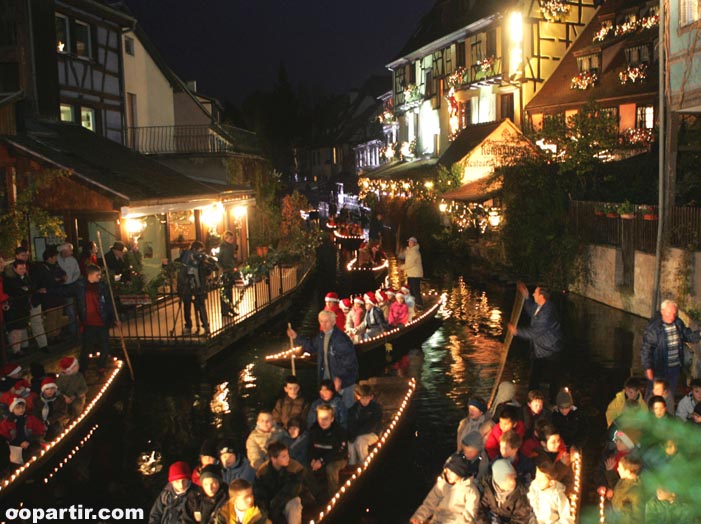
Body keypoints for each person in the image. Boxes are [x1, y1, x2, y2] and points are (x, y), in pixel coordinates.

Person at [287, 310, 358, 409]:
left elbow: (349, 362)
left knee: (346, 408)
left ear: (333, 322)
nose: (323, 324)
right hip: (328, 380)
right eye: (321, 321)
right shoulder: (321, 335)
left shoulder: (341, 339)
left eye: (326, 321)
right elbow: (311, 346)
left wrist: (340, 378)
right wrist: (296, 337)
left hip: (343, 382)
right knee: (329, 408)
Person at [508, 282, 563, 402]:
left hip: (551, 350)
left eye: (535, 292)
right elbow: (531, 310)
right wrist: (526, 296)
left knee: (554, 378)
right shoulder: (540, 306)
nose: (533, 294)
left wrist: (516, 331)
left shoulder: (547, 313)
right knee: (535, 375)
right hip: (540, 349)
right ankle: (532, 398)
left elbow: (534, 332)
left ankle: (553, 402)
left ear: (542, 296)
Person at [641, 299, 700, 396]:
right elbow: (646, 350)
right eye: (669, 313)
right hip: (659, 367)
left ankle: (667, 409)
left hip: (674, 367)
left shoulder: (678, 323)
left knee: (669, 392)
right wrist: (648, 367)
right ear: (662, 312)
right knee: (654, 393)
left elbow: (687, 335)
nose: (672, 316)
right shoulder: (654, 329)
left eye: (674, 313)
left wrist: (699, 334)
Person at [410, 453, 480, 524]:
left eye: (452, 472)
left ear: (460, 472)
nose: (448, 475)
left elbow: (468, 517)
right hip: (437, 520)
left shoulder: (471, 491)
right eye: (447, 472)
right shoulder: (442, 485)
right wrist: (418, 517)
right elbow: (430, 503)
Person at [75, 264, 117, 374]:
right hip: (89, 322)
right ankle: (83, 368)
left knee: (104, 345)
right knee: (87, 347)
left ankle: (101, 366)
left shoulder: (103, 286)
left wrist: (113, 317)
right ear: (91, 275)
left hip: (102, 320)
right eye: (97, 275)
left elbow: (108, 303)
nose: (100, 277)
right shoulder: (80, 285)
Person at [254, 440, 309, 524]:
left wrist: (274, 508)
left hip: (289, 502)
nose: (288, 458)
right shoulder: (262, 473)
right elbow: (260, 496)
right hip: (272, 505)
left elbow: (291, 491)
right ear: (273, 459)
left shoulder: (295, 469)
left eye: (287, 455)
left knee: (294, 502)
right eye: (284, 456)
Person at [308, 404, 348, 500]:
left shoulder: (339, 432)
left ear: (332, 419)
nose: (323, 421)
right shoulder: (314, 430)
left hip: (337, 459)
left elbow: (339, 452)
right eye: (320, 418)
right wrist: (312, 459)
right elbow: (310, 447)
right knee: (305, 469)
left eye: (326, 418)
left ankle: (334, 497)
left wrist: (322, 461)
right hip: (318, 459)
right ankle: (317, 496)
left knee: (331, 468)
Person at [477, 459, 534, 524]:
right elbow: (480, 510)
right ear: (499, 482)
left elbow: (521, 520)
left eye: (514, 477)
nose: (513, 482)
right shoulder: (489, 490)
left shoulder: (520, 495)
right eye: (508, 480)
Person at [178, 241, 214, 336]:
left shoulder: (201, 260)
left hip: (198, 285)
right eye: (200, 251)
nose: (201, 253)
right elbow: (180, 270)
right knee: (187, 305)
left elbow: (208, 272)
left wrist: (206, 264)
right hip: (187, 285)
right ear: (193, 250)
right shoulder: (186, 258)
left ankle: (205, 325)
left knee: (201, 304)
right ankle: (188, 326)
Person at [0, 396, 45, 465]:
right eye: (18, 408)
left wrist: (29, 441)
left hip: (31, 443)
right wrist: (18, 444)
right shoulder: (6, 423)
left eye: (22, 407)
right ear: (12, 409)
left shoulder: (30, 418)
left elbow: (40, 430)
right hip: (14, 447)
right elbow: (4, 438)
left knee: (36, 454)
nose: (21, 410)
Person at [347, 384, 383, 465]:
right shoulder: (354, 410)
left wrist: (356, 434)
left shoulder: (376, 408)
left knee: (360, 441)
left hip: (373, 433)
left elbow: (372, 425)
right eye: (362, 398)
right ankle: (352, 465)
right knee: (351, 443)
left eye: (367, 398)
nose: (365, 400)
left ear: (371, 397)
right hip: (357, 434)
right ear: (358, 397)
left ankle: (365, 464)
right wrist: (351, 436)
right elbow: (351, 424)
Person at [3, 260, 33, 357]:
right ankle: (16, 351)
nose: (23, 270)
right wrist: (25, 289)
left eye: (24, 268)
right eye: (20, 269)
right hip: (14, 308)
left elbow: (30, 288)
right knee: (15, 330)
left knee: (20, 328)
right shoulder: (10, 279)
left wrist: (26, 289)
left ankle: (21, 348)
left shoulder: (23, 277)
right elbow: (18, 291)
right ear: (14, 269)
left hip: (21, 307)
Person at [608, 454, 642, 524]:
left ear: (628, 472)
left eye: (620, 468)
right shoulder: (622, 481)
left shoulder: (636, 492)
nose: (617, 469)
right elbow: (618, 493)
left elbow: (638, 517)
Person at [57, 242, 81, 336]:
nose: (71, 252)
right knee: (59, 310)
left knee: (71, 309)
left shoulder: (72, 260)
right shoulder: (57, 260)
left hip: (70, 285)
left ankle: (73, 330)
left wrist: (71, 280)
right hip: (60, 286)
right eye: (69, 250)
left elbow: (77, 272)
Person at [218, 230, 238, 318]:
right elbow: (222, 260)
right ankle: (225, 311)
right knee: (225, 292)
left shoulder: (230, 247)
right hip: (226, 271)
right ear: (226, 238)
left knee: (229, 291)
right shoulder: (224, 248)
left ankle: (230, 309)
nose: (232, 240)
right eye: (230, 239)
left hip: (230, 271)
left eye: (232, 238)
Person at [401, 237, 424, 306]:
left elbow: (410, 263)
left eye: (411, 242)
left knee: (415, 290)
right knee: (411, 290)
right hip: (411, 274)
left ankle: (419, 305)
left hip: (415, 274)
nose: (410, 243)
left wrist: (401, 267)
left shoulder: (414, 252)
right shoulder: (409, 250)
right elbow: (402, 255)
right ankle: (413, 305)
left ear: (414, 243)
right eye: (409, 242)